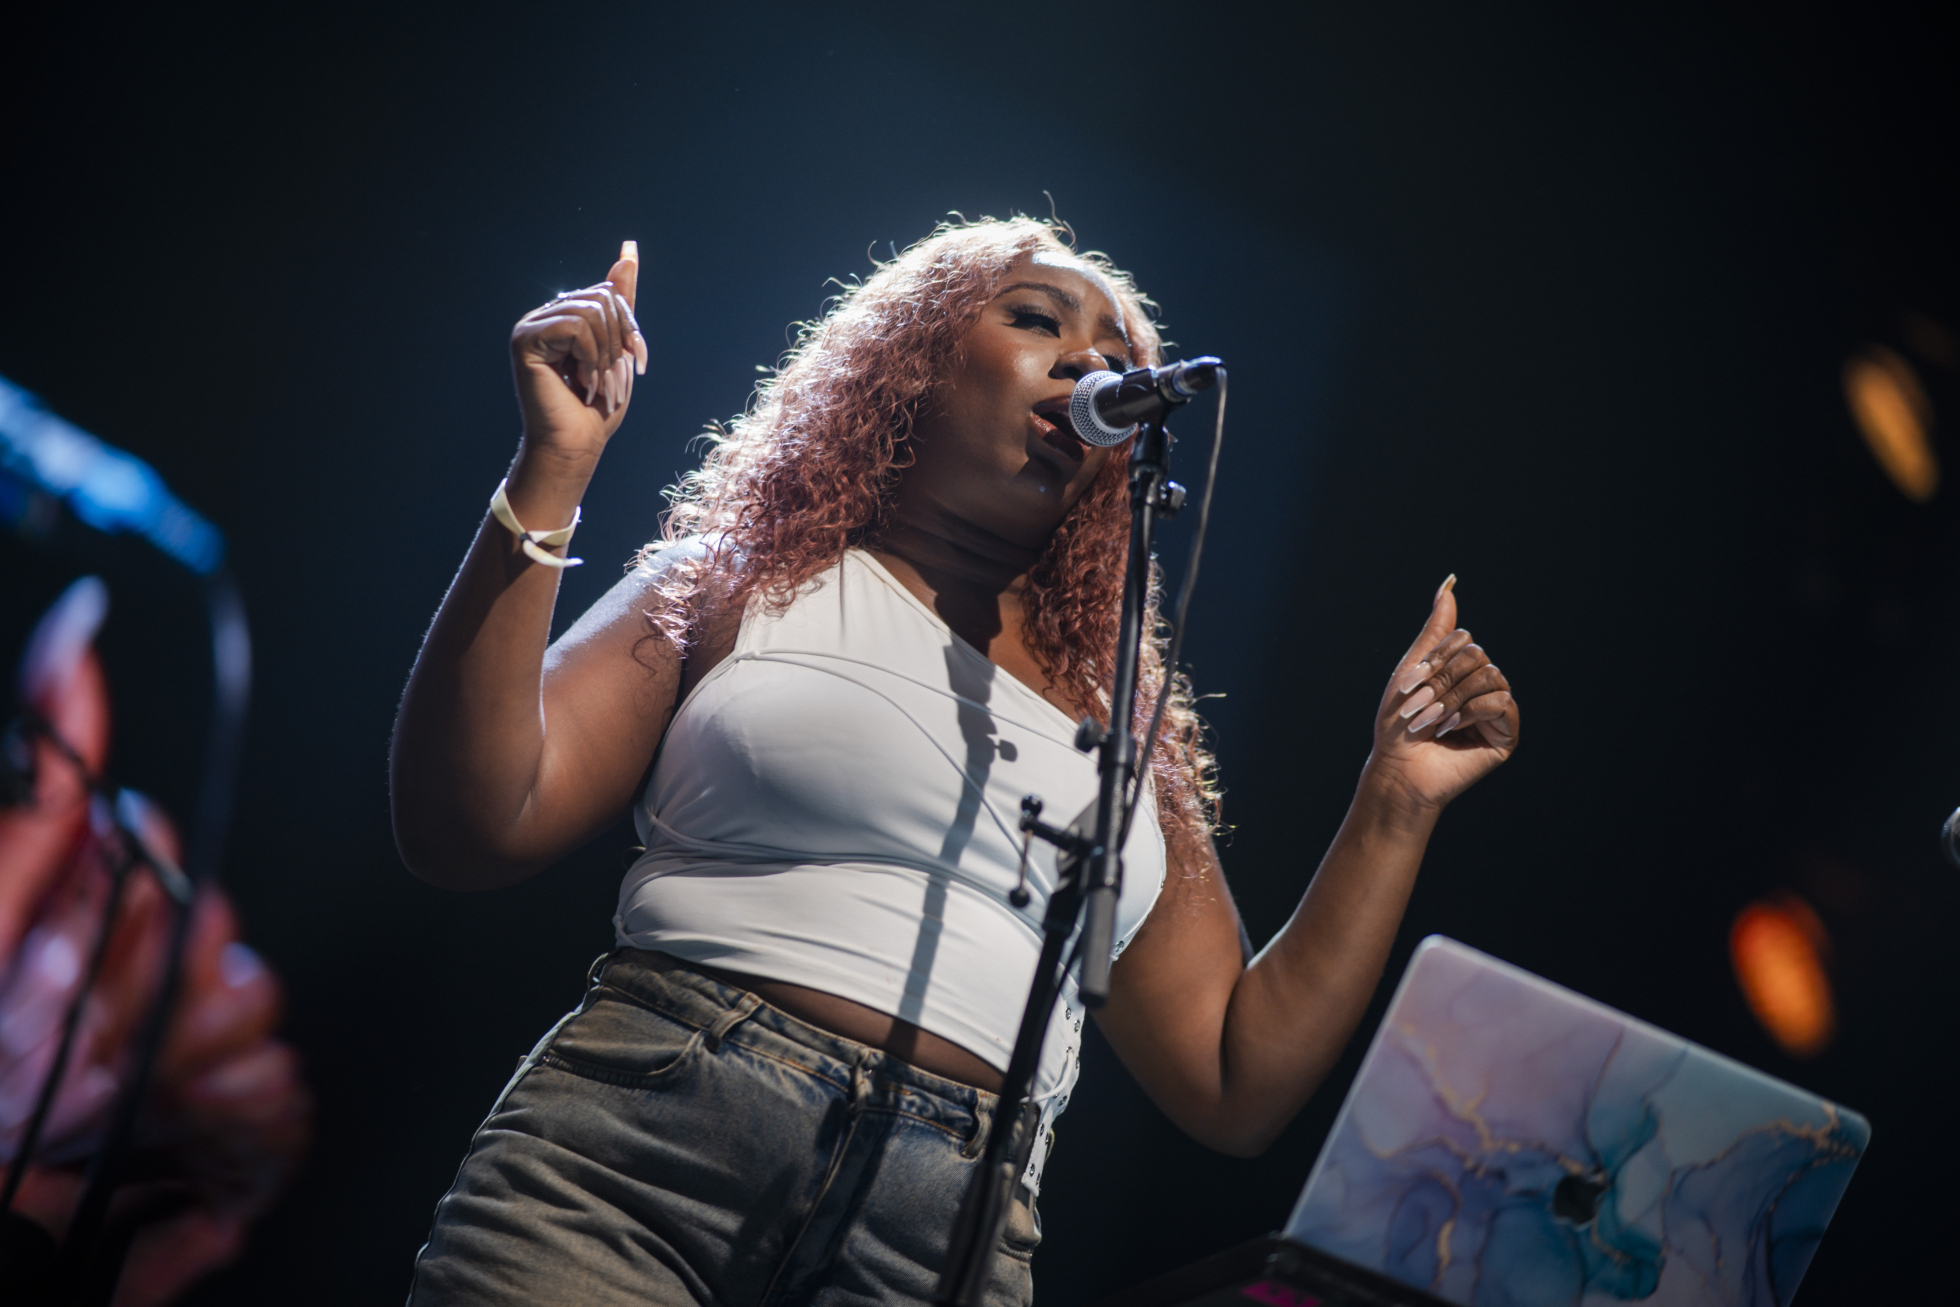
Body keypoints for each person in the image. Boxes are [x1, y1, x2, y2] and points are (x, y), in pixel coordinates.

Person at [389, 217, 1520, 1307]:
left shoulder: (1122, 727)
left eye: (1120, 355)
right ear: (912, 367)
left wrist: (1395, 799)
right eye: (1037, 318)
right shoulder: (738, 584)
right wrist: (554, 467)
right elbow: (471, 823)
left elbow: (1234, 1078)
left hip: (944, 1238)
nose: (1091, 362)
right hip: (639, 1157)